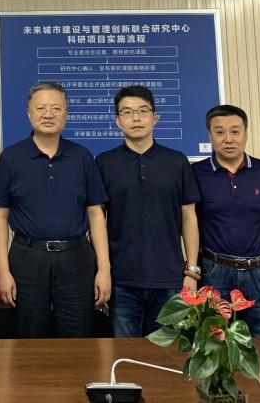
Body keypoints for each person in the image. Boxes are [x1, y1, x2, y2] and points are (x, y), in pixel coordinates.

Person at [0, 81, 110, 338]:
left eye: (56, 108)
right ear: (29, 114)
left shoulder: (82, 157)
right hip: (27, 258)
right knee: (29, 336)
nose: (48, 114)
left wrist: (104, 269)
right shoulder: (11, 158)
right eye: (41, 108)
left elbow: (96, 215)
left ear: (66, 113)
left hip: (76, 259)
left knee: (78, 335)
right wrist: (3, 271)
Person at [95, 85, 201, 338]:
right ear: (117, 121)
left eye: (143, 111)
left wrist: (192, 272)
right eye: (127, 112)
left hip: (170, 279)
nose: (136, 118)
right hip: (122, 280)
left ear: (155, 117)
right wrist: (103, 270)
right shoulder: (104, 163)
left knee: (167, 355)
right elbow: (97, 220)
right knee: (124, 354)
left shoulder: (177, 161)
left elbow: (189, 218)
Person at [192, 104, 260, 337]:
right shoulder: (195, 173)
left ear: (245, 133)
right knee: (214, 344)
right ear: (210, 135)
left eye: (235, 131)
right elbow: (188, 224)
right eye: (220, 132)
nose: (228, 139)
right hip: (214, 272)